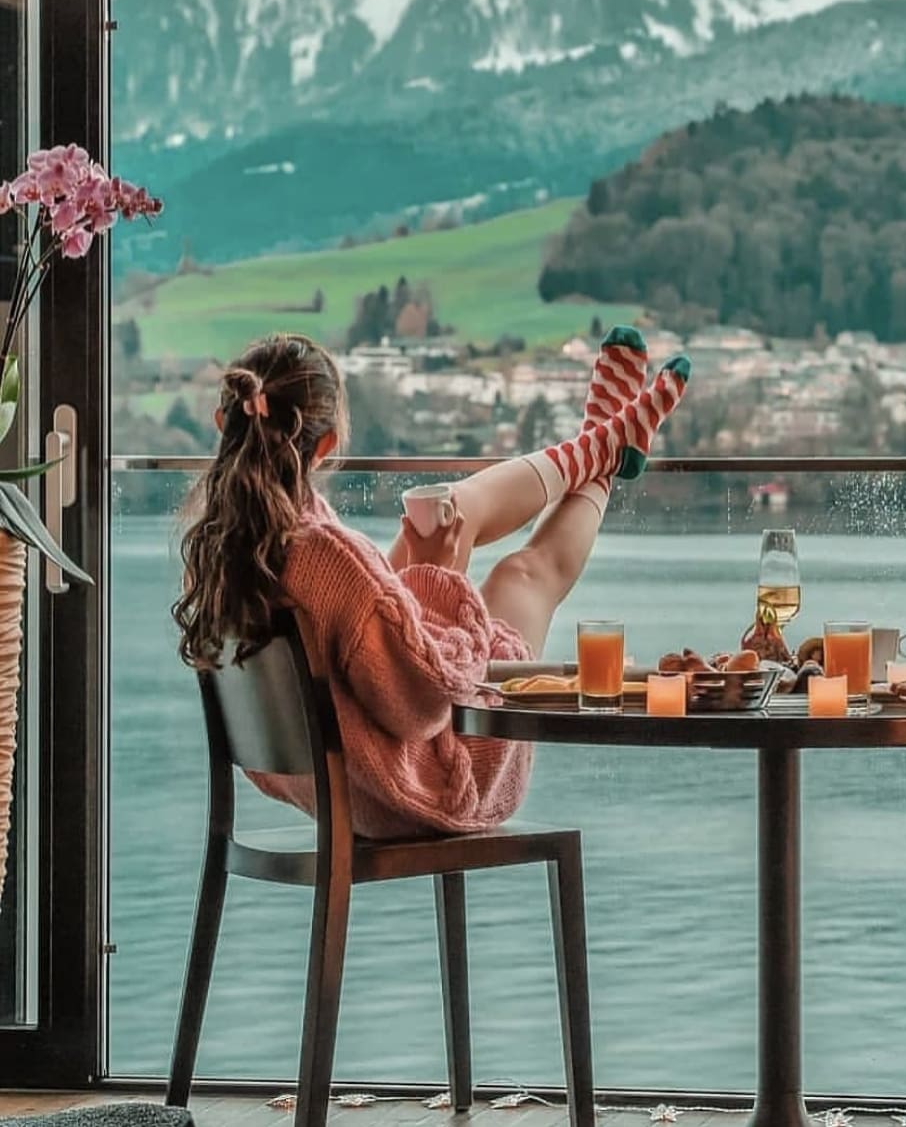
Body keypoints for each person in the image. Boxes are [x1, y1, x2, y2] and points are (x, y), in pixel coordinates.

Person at [172, 330, 690, 839]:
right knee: (526, 575)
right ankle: (606, 448)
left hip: (340, 782)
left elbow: (362, 631)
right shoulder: (323, 553)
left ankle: (602, 443)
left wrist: (418, 576)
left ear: (224, 422)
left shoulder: (217, 548)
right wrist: (436, 576)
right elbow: (423, 706)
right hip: (426, 783)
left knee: (449, 513)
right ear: (326, 446)